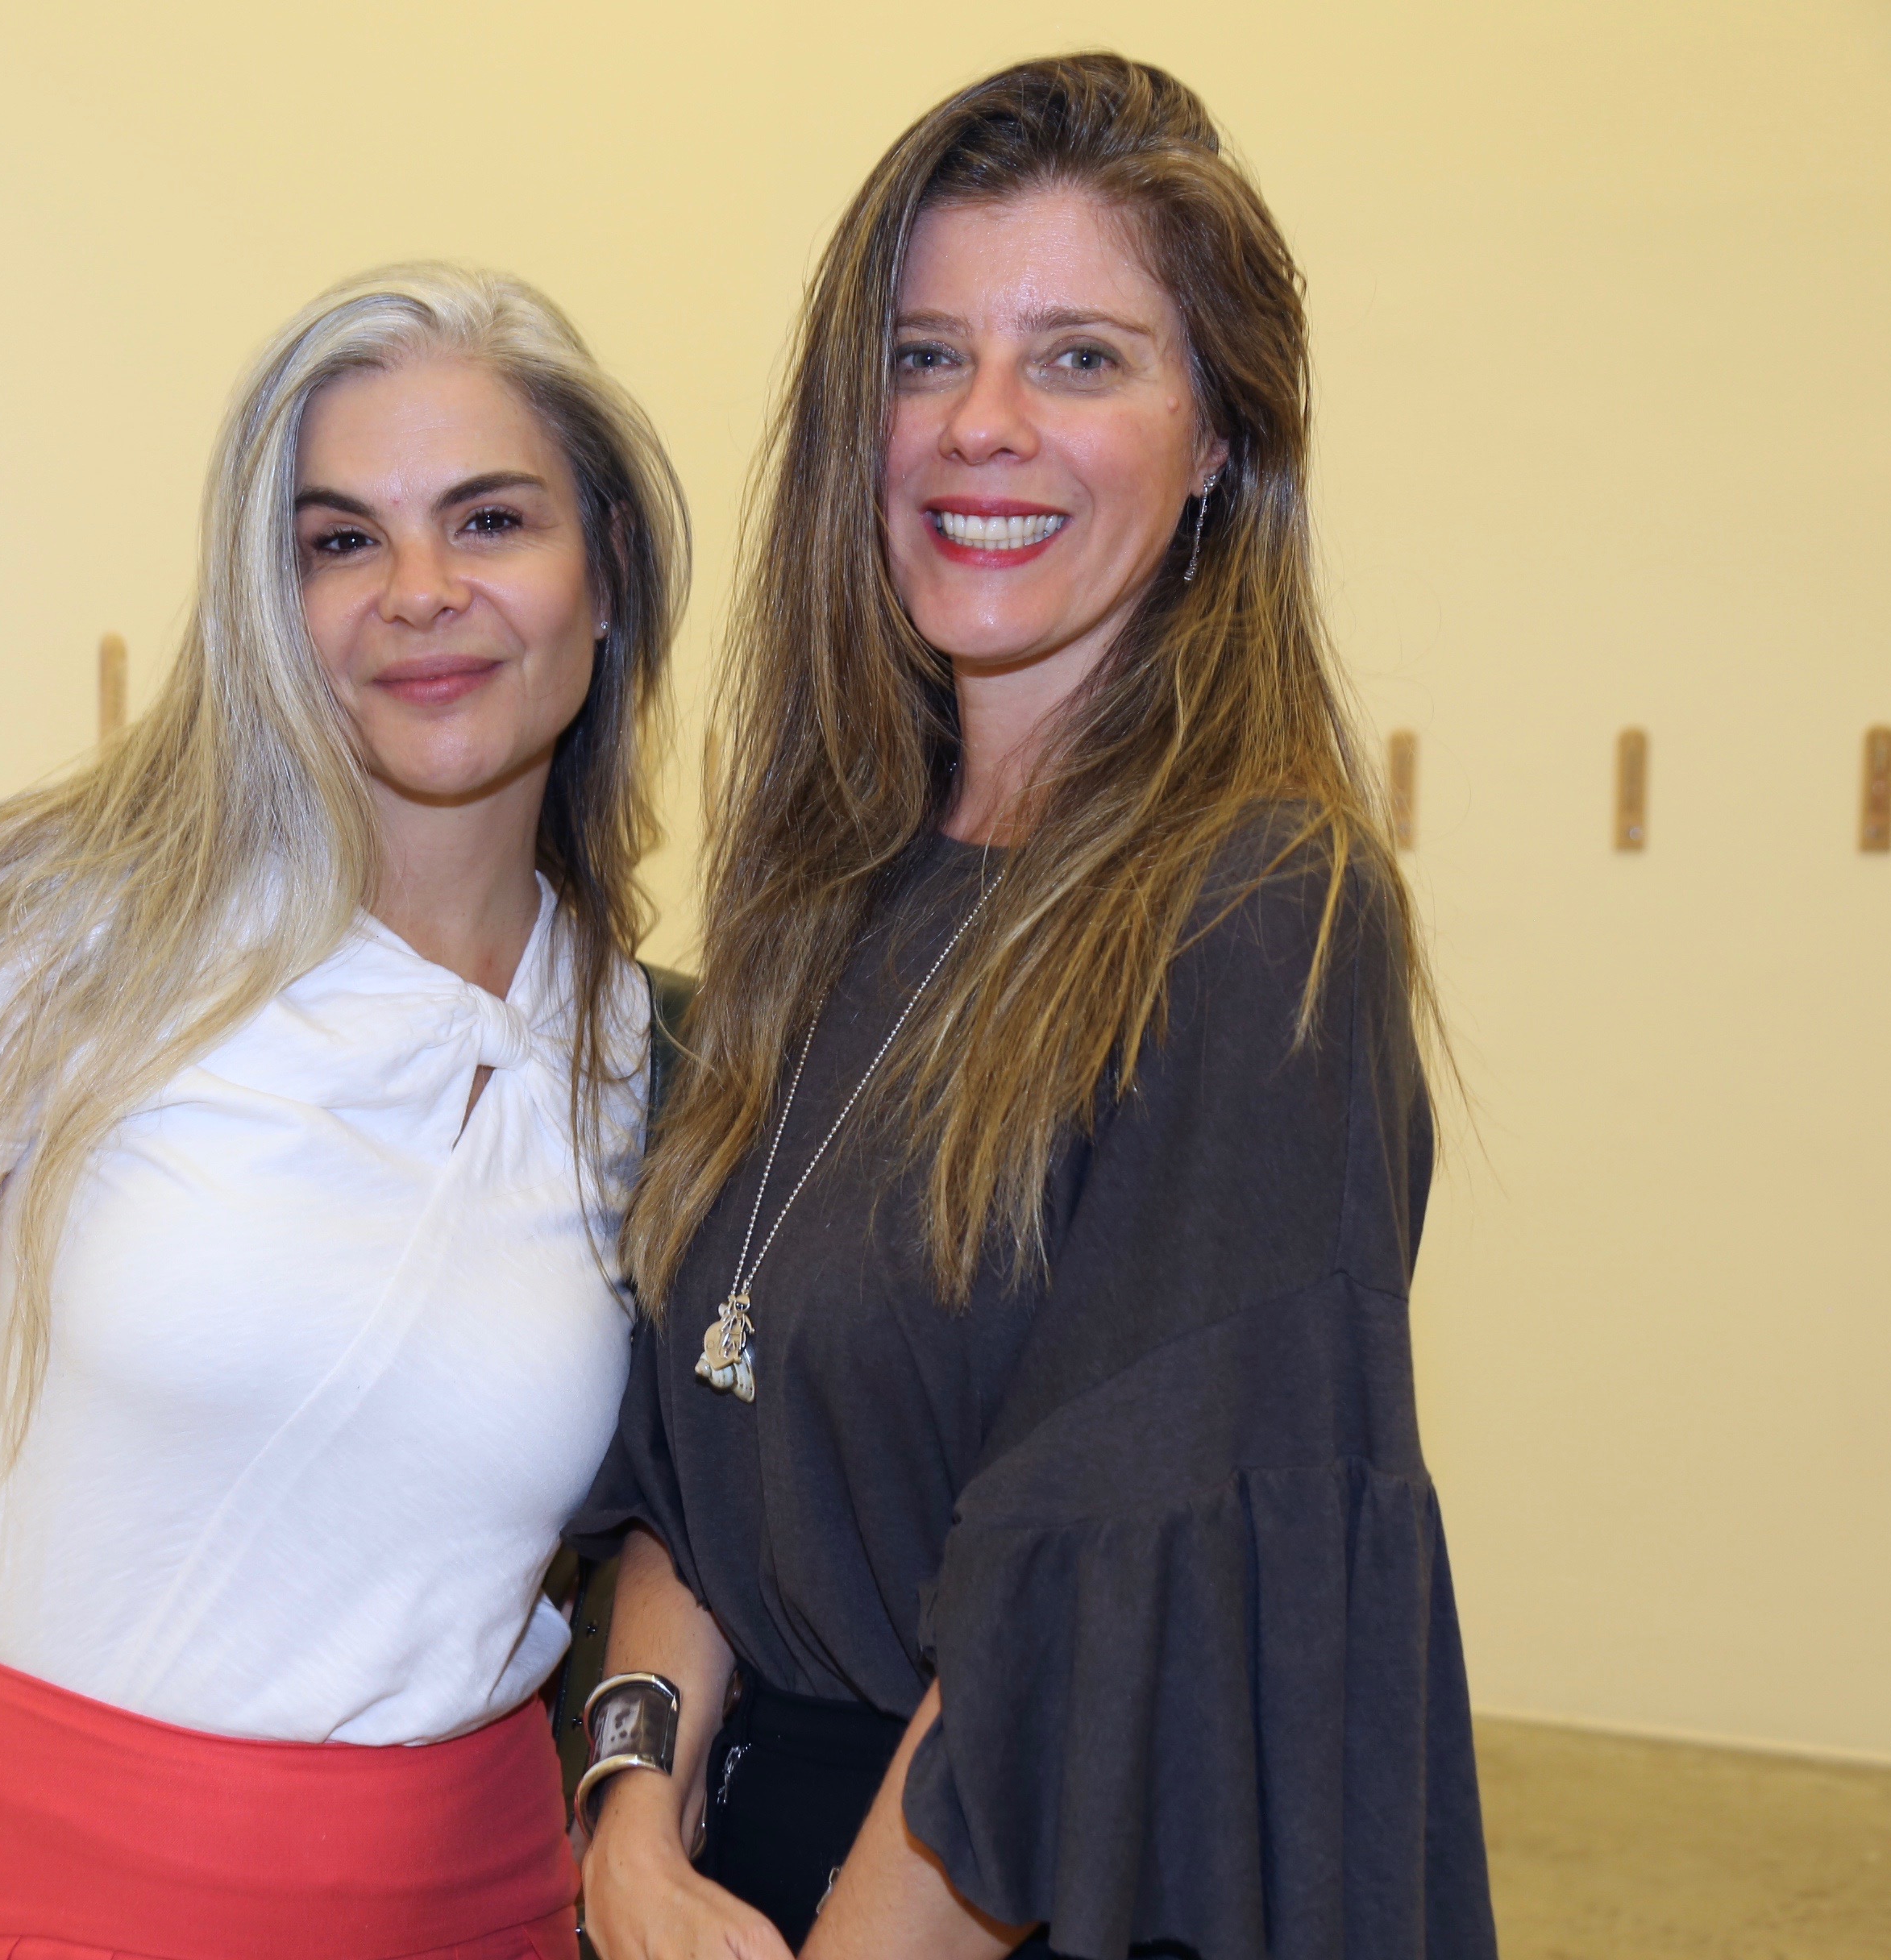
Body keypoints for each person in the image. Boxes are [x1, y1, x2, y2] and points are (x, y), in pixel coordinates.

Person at [570, 56, 1496, 1960]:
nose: (982, 425)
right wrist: (630, 1826)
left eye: (1080, 357)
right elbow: (691, 1453)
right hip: (726, 1871)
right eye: (926, 358)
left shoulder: (1262, 917)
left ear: (1219, 434)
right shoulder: (824, 887)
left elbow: (1084, 1633)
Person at [0, 263, 688, 1960]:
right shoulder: (68, 921)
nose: (420, 593)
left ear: (605, 570)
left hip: (480, 1904)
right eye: (341, 541)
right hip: (63, 1889)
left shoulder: (651, 1053)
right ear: (271, 595)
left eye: (489, 520)